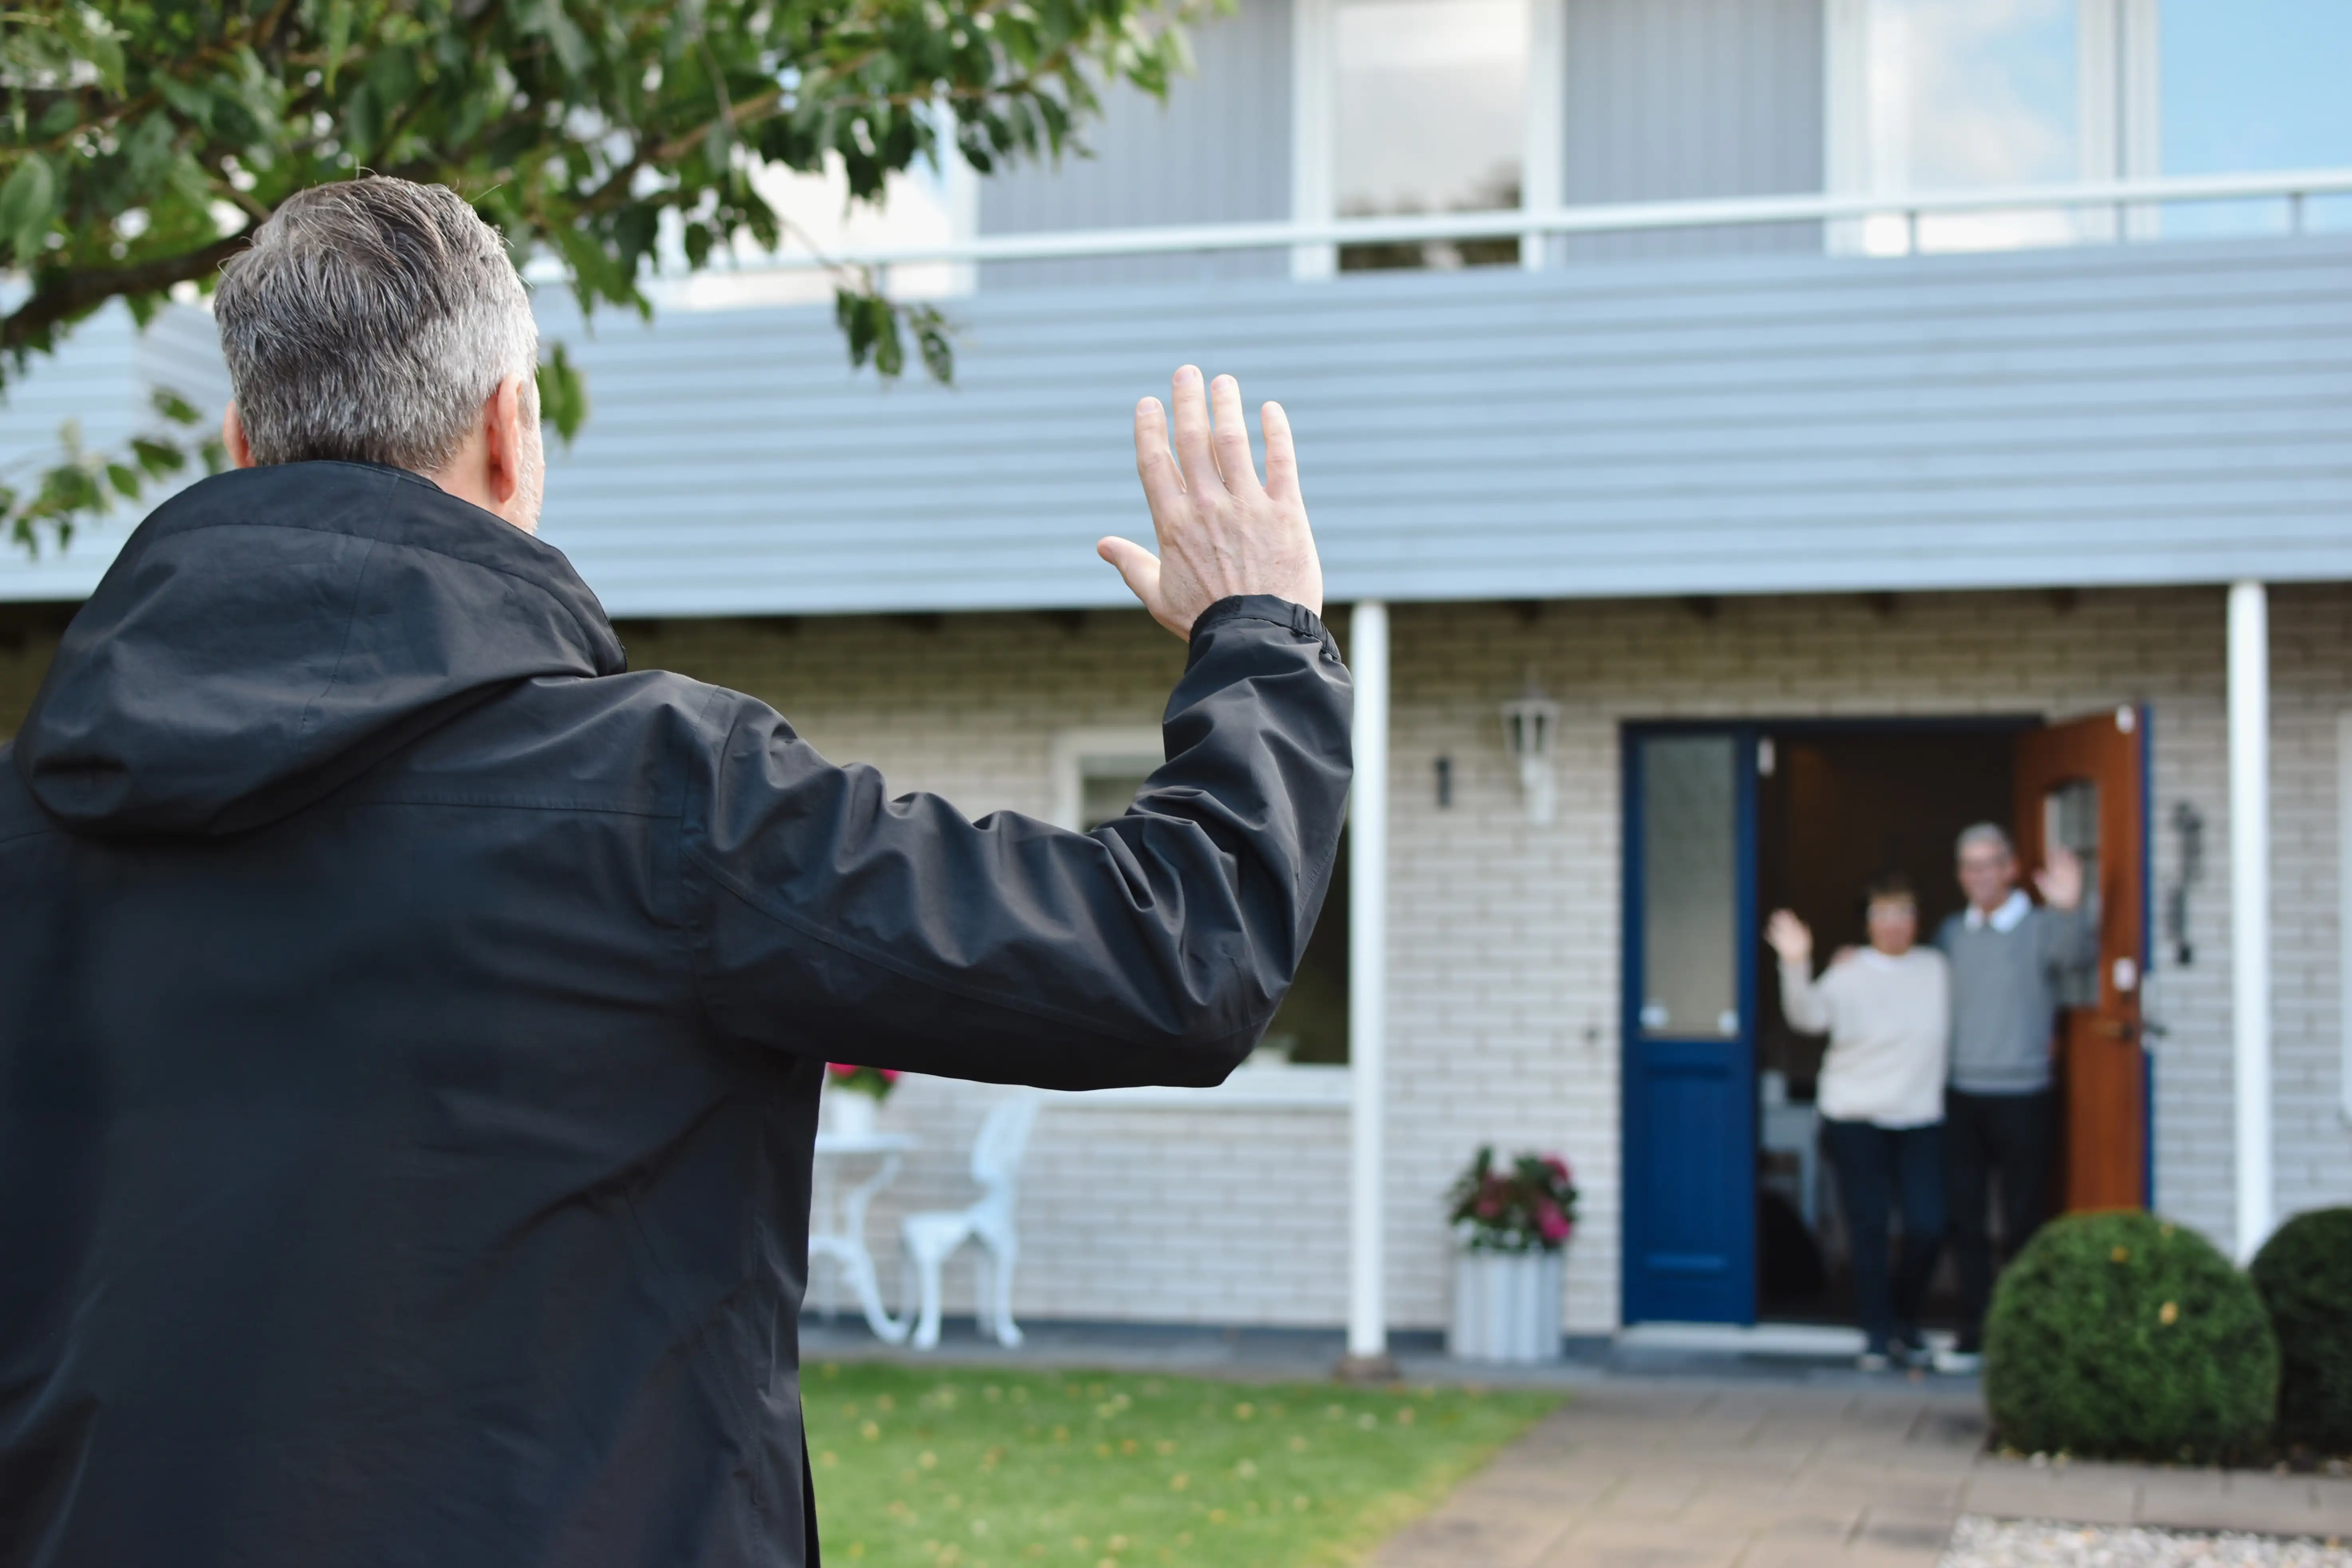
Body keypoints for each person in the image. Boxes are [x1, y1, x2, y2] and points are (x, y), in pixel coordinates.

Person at [0, 178, 1349, 1567]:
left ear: (239, 444)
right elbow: (1171, 953)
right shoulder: (672, 799)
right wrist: (1262, 633)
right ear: (510, 435)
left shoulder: (30, 823)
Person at [1767, 877, 1950, 1370]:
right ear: (1868, 923)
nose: (1893, 925)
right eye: (1882, 915)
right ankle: (1875, 1333)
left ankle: (1905, 1324)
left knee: (1927, 1226)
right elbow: (1807, 1017)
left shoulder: (1936, 970)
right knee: (1868, 1227)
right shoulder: (1848, 972)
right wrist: (1795, 961)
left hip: (1918, 1118)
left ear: (1917, 920)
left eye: (1903, 913)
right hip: (1854, 1118)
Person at [1932, 823, 2095, 1373]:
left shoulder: (2040, 925)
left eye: (1989, 863)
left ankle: (2021, 1332)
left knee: (2024, 1218)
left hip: (2023, 1092)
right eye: (1969, 865)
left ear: (2010, 866)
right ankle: (1975, 1329)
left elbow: (2076, 960)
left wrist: (2071, 907)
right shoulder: (1950, 932)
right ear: (1960, 875)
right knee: (1967, 1219)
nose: (1979, 875)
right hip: (1960, 1091)